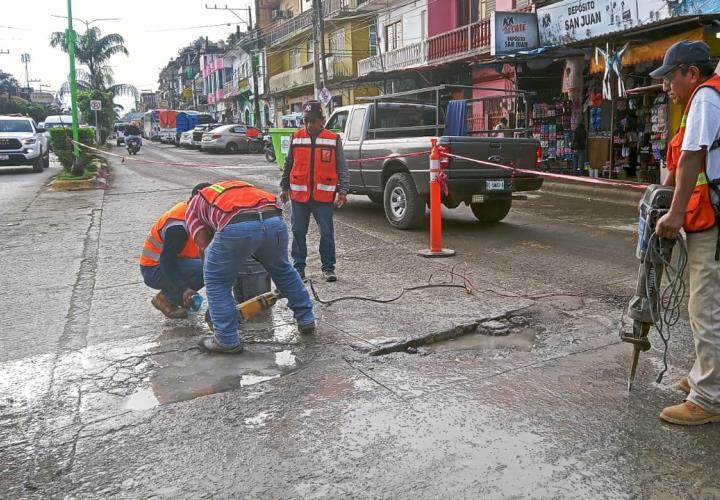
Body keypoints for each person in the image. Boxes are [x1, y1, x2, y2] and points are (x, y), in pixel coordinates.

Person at [652, 40, 720, 425]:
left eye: (670, 77)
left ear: (691, 73)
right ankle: (705, 376)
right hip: (713, 214)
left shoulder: (705, 99)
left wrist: (675, 213)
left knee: (705, 305)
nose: (666, 86)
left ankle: (708, 398)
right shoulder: (707, 98)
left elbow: (693, 156)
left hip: (710, 218)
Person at [186, 180, 315, 354]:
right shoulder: (233, 187)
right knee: (283, 270)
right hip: (273, 219)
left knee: (216, 280)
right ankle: (306, 320)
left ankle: (226, 339)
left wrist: (222, 292)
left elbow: (204, 248)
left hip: (237, 224)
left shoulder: (193, 205)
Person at [280, 100, 350, 282]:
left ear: (322, 120)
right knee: (298, 232)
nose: (309, 125)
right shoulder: (296, 137)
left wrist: (343, 191)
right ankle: (299, 267)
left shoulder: (333, 139)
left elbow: (342, 167)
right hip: (299, 197)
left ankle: (328, 268)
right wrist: (284, 187)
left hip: (323, 197)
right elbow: (288, 164)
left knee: (326, 233)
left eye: (313, 120)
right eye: (306, 121)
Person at [140, 183, 210, 319]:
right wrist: (183, 288)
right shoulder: (178, 225)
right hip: (154, 269)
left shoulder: (197, 213)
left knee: (210, 263)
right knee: (208, 267)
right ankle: (166, 299)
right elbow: (167, 261)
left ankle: (176, 297)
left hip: (178, 262)